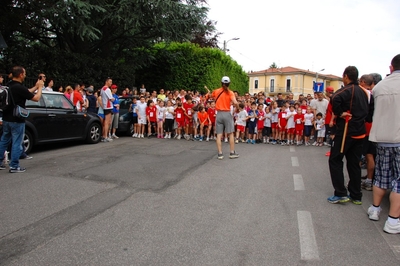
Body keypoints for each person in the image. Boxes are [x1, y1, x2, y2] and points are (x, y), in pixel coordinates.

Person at [327, 66, 373, 204]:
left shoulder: (346, 90)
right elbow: (371, 112)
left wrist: (340, 113)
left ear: (346, 76)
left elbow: (334, 98)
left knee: (335, 160)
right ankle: (356, 195)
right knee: (354, 163)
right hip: (360, 132)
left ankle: (341, 193)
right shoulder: (366, 92)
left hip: (346, 131)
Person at [368, 54, 400, 234]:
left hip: (382, 137)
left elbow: (371, 113)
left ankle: (375, 208)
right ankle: (393, 220)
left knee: (381, 174)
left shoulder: (379, 87)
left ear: (391, 67)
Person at [0, 66, 43, 173]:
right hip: (17, 119)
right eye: (24, 73)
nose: (25, 75)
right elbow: (36, 98)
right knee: (17, 142)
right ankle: (14, 166)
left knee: (4, 140)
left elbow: (27, 92)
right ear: (20, 75)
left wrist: (35, 87)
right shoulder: (19, 87)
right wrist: (40, 87)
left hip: (6, 118)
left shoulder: (9, 85)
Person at [206, 76, 239, 159]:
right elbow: (235, 103)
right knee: (230, 133)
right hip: (227, 113)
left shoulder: (217, 91)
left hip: (219, 114)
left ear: (221, 83)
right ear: (229, 83)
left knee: (219, 135)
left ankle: (220, 154)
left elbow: (210, 96)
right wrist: (237, 108)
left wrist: (209, 93)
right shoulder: (230, 92)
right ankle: (232, 152)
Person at [100, 78, 115, 142]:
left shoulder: (102, 89)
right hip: (108, 106)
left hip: (105, 106)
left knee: (107, 122)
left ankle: (105, 136)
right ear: (106, 82)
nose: (111, 83)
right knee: (107, 122)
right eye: (110, 81)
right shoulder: (107, 89)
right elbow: (111, 98)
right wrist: (113, 99)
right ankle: (105, 136)